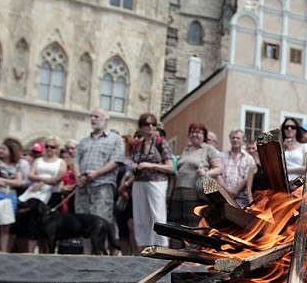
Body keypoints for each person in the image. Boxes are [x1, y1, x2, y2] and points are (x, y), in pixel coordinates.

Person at [75, 108, 125, 254]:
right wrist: (79, 176)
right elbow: (76, 160)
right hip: (83, 187)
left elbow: (116, 161)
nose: (92, 119)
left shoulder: (115, 139)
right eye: (91, 116)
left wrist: (96, 173)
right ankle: (86, 255)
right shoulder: (84, 141)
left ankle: (99, 257)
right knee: (83, 222)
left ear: (106, 119)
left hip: (102, 186)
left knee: (100, 222)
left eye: (96, 116)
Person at [170, 123, 223, 240]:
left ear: (204, 135)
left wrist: (206, 173)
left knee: (192, 225)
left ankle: (192, 254)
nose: (195, 134)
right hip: (178, 192)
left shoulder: (208, 149)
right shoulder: (186, 149)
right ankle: (177, 254)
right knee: (176, 225)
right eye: (192, 132)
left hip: (194, 192)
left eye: (198, 132)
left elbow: (219, 168)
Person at [129, 113, 173, 250]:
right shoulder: (138, 144)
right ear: (141, 127)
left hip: (157, 182)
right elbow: (133, 161)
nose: (150, 127)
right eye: (147, 124)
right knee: (140, 217)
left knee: (157, 215)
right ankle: (143, 247)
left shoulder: (161, 142)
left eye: (153, 124)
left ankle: (161, 247)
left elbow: (170, 167)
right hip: (139, 182)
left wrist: (150, 165)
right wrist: (134, 166)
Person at [18, 136, 66, 252]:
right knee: (32, 225)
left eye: (52, 147)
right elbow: (30, 175)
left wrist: (40, 181)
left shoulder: (61, 162)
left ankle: (45, 252)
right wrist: (43, 180)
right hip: (35, 195)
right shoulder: (38, 160)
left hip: (51, 195)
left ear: (57, 149)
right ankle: (30, 252)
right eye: (47, 146)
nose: (49, 149)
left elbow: (57, 179)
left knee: (48, 227)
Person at [220, 129, 255, 208]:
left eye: (238, 138)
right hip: (223, 196)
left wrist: (235, 191)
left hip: (241, 198)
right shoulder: (222, 156)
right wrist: (227, 191)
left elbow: (247, 178)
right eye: (233, 138)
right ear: (230, 139)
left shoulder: (249, 158)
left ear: (243, 140)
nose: (235, 140)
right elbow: (218, 175)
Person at [282, 118, 307, 182]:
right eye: (286, 127)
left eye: (293, 127)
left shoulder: (305, 147)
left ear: (297, 130)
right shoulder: (279, 147)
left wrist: (287, 170)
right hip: (281, 185)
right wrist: (282, 148)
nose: (289, 129)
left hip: (298, 185)